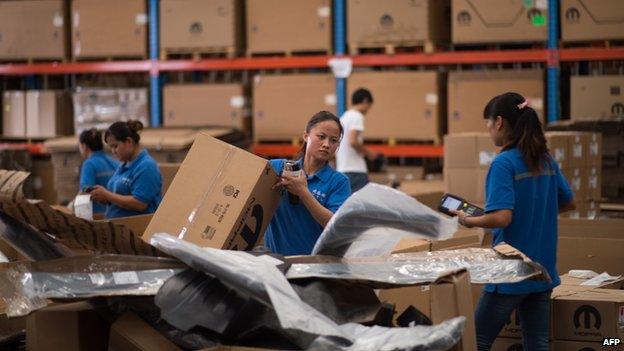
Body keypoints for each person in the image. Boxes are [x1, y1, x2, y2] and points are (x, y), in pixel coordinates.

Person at [452, 92, 576, 351]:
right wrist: (536, 211)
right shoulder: (546, 161)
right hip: (542, 270)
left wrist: (469, 220)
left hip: (512, 270)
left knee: (476, 340)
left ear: (499, 122)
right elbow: (568, 202)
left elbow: (502, 217)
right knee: (536, 342)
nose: (488, 130)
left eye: (487, 123)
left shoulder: (504, 163)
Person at [264, 111, 351, 255]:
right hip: (274, 262)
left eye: (334, 140)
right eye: (321, 137)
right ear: (306, 136)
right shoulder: (277, 168)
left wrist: (303, 192)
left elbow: (335, 225)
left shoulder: (339, 182)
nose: (326, 144)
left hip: (311, 267)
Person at [89, 120, 162, 219]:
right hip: (118, 226)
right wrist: (105, 198)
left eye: (115, 146)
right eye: (111, 148)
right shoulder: (124, 165)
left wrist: (108, 195)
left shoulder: (146, 166)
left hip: (137, 229)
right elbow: (119, 196)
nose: (113, 151)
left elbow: (140, 203)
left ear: (129, 141)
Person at [336, 88, 379, 193]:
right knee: (362, 205)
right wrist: (369, 153)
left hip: (342, 169)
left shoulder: (344, 118)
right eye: (369, 106)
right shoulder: (357, 116)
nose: (368, 110)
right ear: (365, 101)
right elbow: (353, 141)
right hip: (355, 170)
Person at [78, 128, 119, 215]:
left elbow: (85, 194)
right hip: (115, 214)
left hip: (98, 217)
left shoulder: (89, 164)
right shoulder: (114, 162)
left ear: (84, 146)